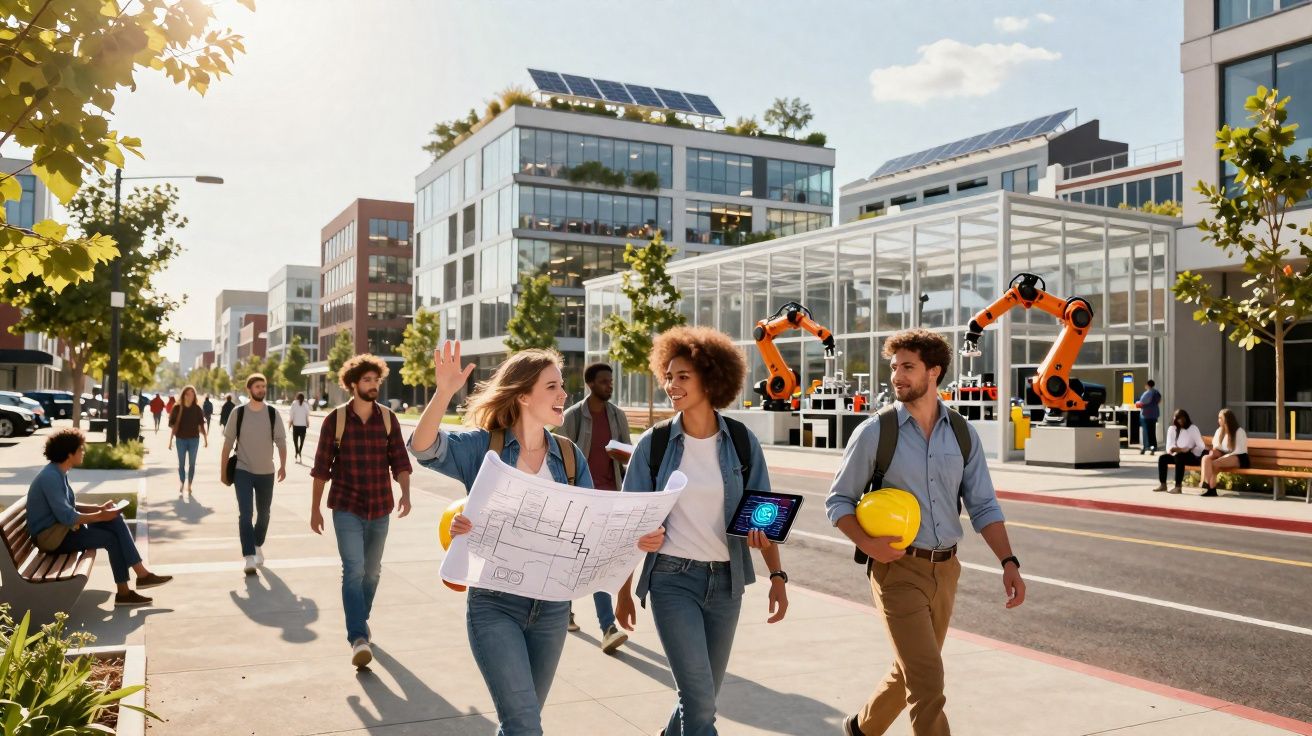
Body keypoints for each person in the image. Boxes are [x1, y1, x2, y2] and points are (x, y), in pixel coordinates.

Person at [410, 342, 652, 736]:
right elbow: (423, 448)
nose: (564, 394)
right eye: (553, 387)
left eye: (562, 386)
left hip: (553, 609)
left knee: (521, 723)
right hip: (495, 605)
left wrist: (636, 537)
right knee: (524, 725)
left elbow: (592, 530)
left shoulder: (569, 456)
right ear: (523, 395)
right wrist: (443, 392)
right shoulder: (483, 446)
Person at [826, 329, 1025, 736]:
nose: (897, 376)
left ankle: (861, 729)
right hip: (896, 570)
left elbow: (983, 504)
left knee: (911, 671)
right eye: (894, 367)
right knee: (929, 683)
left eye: (907, 367)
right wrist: (868, 545)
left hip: (946, 571)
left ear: (934, 372)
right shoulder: (875, 432)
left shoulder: (962, 433)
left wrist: (1008, 561)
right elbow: (838, 502)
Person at [614, 326, 788, 736]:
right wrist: (622, 589)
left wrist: (777, 577)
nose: (671, 385)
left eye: (683, 377)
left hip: (727, 583)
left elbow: (765, 514)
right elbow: (628, 522)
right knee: (700, 708)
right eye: (668, 376)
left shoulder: (742, 442)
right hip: (672, 581)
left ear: (711, 379)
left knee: (701, 698)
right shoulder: (654, 445)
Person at [309, 355, 412, 669]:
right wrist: (315, 509)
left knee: (372, 571)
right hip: (346, 506)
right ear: (353, 384)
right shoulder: (335, 420)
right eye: (367, 380)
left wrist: (405, 493)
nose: (373, 385)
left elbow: (400, 461)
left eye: (376, 380)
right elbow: (321, 469)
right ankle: (357, 637)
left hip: (380, 505)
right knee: (353, 569)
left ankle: (359, 618)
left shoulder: (388, 419)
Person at [27, 428, 172, 606]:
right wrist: (101, 515)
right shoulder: (51, 477)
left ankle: (138, 578)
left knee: (115, 519)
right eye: (80, 449)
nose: (83, 452)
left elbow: (69, 507)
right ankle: (130, 586)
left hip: (61, 532)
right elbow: (68, 517)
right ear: (69, 453)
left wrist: (99, 509)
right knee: (110, 537)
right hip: (51, 539)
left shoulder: (58, 472)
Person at [557, 362, 633, 652]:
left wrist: (623, 455)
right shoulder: (574, 416)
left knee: (596, 560)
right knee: (579, 559)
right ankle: (605, 625)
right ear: (590, 384)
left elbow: (629, 456)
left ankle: (604, 626)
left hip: (611, 497)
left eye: (611, 381)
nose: (609, 386)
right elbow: (560, 453)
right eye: (603, 382)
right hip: (581, 499)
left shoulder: (617, 416)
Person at [220, 374, 287, 575]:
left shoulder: (273, 414)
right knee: (246, 514)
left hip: (266, 472)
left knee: (264, 514)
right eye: (258, 387)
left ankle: (257, 544)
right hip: (243, 470)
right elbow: (227, 444)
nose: (261, 390)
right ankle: (249, 556)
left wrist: (283, 466)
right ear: (249, 390)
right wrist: (223, 471)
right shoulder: (238, 413)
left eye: (263, 386)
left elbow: (281, 442)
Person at [168, 385, 208, 497]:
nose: (189, 396)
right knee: (181, 464)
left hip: (194, 440)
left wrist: (205, 439)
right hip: (180, 440)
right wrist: (175, 430)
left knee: (191, 464)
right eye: (187, 393)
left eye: (192, 393)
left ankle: (189, 485)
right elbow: (171, 423)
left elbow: (201, 424)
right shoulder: (177, 408)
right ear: (183, 395)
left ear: (194, 395)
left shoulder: (197, 409)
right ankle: (182, 483)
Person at [1200, 408, 1249, 497]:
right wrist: (1213, 452)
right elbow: (1217, 447)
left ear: (1227, 419)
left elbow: (1239, 450)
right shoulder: (1219, 431)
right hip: (1224, 456)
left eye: (1220, 418)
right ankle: (1206, 483)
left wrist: (1223, 457)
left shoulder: (1239, 431)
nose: (1218, 420)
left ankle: (1211, 488)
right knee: (1206, 458)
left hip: (1238, 457)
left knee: (1215, 463)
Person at [1155, 409, 1205, 494]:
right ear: (1175, 419)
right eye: (1178, 419)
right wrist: (1178, 449)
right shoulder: (1172, 429)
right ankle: (1163, 485)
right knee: (1162, 458)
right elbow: (1169, 447)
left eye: (1182, 418)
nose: (1180, 421)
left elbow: (1201, 446)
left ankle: (1178, 487)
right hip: (1176, 455)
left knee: (1180, 457)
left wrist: (1190, 449)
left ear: (1186, 418)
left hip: (1191, 456)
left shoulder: (1193, 428)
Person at [1138, 379, 1162, 455]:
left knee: (1146, 432)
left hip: (1146, 415)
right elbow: (1159, 401)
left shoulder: (1148, 393)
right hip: (1154, 415)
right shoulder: (1157, 393)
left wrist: (1138, 403)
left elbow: (1141, 402)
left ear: (1148, 385)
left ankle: (1146, 447)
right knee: (1152, 431)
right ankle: (1153, 447)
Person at [289, 392, 312, 463]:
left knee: (295, 441)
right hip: (303, 426)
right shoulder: (305, 405)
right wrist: (307, 423)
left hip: (296, 426)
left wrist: (290, 423)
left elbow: (291, 414)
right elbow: (307, 415)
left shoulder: (294, 403)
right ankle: (299, 451)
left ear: (297, 397)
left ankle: (296, 451)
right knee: (302, 441)